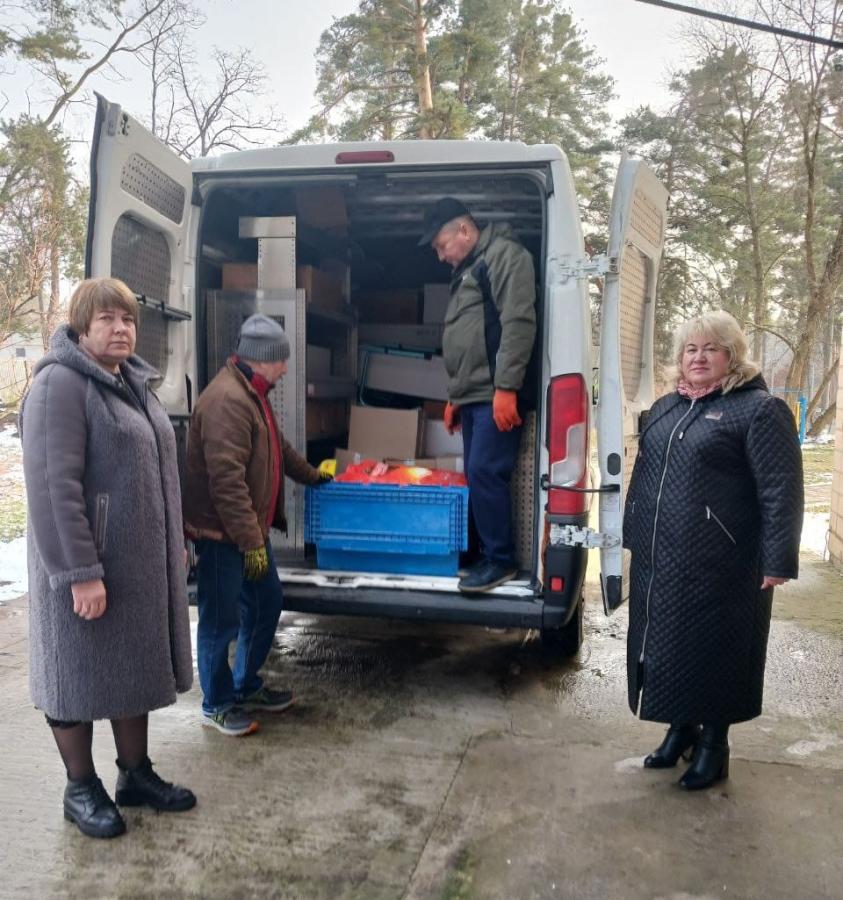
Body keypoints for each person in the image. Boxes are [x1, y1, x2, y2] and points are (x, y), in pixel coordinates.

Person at [20, 278, 196, 840]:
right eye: (106, 320)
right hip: (84, 568)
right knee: (73, 677)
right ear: (80, 327)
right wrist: (80, 573)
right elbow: (53, 489)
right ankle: (80, 786)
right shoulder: (61, 385)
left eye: (127, 320)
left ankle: (135, 776)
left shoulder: (130, 384)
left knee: (128, 669)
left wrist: (177, 542)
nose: (121, 329)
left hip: (132, 568)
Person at [623, 310, 803, 791]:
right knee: (667, 647)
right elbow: (644, 477)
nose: (699, 358)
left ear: (732, 355)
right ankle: (680, 730)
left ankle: (714, 746)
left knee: (716, 650)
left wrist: (778, 558)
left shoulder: (758, 410)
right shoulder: (665, 407)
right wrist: (633, 535)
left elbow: (780, 489)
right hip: (663, 558)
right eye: (690, 349)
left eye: (711, 349)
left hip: (725, 562)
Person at [184, 314, 331, 736]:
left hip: (248, 534)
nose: (285, 368)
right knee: (220, 621)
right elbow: (226, 482)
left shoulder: (253, 393)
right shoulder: (227, 400)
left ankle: (244, 684)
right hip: (222, 537)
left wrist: (312, 475)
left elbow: (277, 446)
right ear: (263, 360)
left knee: (266, 604)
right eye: (281, 361)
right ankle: (216, 703)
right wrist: (251, 543)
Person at [418, 197, 536, 593]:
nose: (438, 256)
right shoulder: (468, 269)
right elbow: (468, 340)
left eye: (440, 245)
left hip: (494, 395)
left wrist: (507, 389)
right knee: (477, 473)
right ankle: (485, 553)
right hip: (475, 395)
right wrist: (455, 397)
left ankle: (499, 560)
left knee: (486, 472)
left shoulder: (504, 256)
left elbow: (517, 323)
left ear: (465, 231)